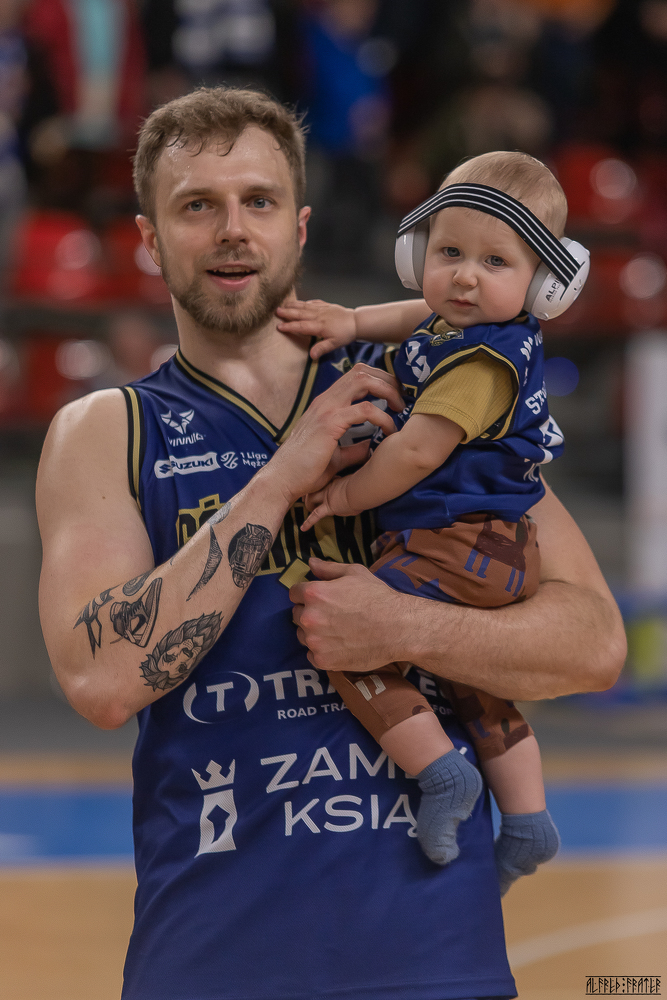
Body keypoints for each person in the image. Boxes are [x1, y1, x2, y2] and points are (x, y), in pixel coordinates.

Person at [36, 87, 625, 1000]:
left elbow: (593, 646)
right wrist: (280, 479)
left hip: (441, 965)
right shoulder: (106, 431)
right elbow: (102, 681)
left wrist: (404, 628)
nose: (233, 230)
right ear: (149, 239)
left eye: (259, 201)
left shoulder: (435, 383)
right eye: (197, 206)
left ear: (300, 226)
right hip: (213, 966)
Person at [278, 151, 572, 889]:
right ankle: (528, 820)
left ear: (542, 282)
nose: (465, 277)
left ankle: (441, 772)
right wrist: (352, 320)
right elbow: (420, 315)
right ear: (418, 255)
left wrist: (346, 497)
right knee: (473, 680)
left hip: (458, 542)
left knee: (351, 636)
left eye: (494, 262)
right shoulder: (467, 324)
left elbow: (414, 452)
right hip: (494, 546)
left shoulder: (480, 368)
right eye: (448, 253)